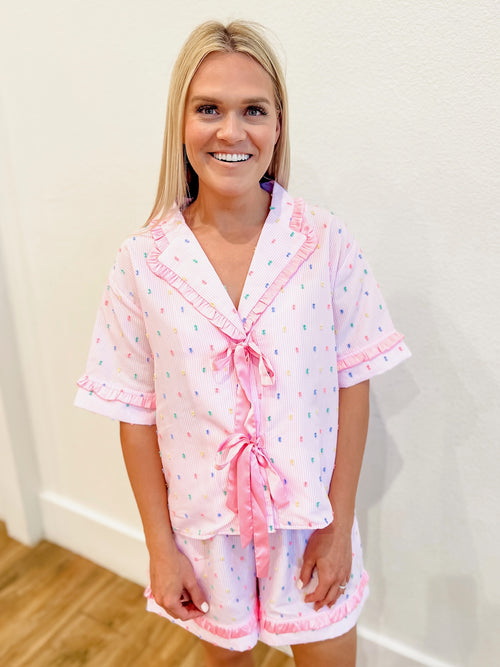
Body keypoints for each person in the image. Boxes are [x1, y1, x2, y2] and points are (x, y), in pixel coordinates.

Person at [75, 19, 411, 667]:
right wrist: (161, 548)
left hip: (309, 523)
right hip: (204, 533)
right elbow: (136, 416)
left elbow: (353, 383)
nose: (231, 131)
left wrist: (340, 523)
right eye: (209, 109)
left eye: (253, 110)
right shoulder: (142, 262)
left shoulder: (323, 242)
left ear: (278, 124)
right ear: (180, 123)